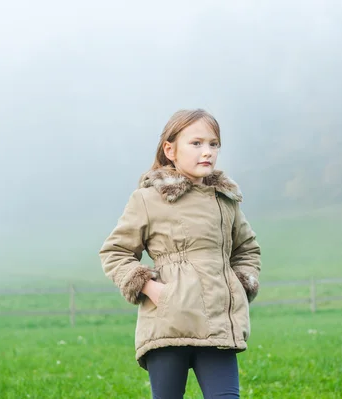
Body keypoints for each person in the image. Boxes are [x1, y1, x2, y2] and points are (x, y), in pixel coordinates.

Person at [99, 108, 262, 398]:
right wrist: (150, 288)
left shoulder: (226, 201)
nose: (207, 151)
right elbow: (115, 252)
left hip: (218, 327)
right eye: (196, 143)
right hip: (168, 324)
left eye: (213, 144)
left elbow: (247, 249)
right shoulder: (147, 199)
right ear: (170, 149)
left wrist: (240, 283)